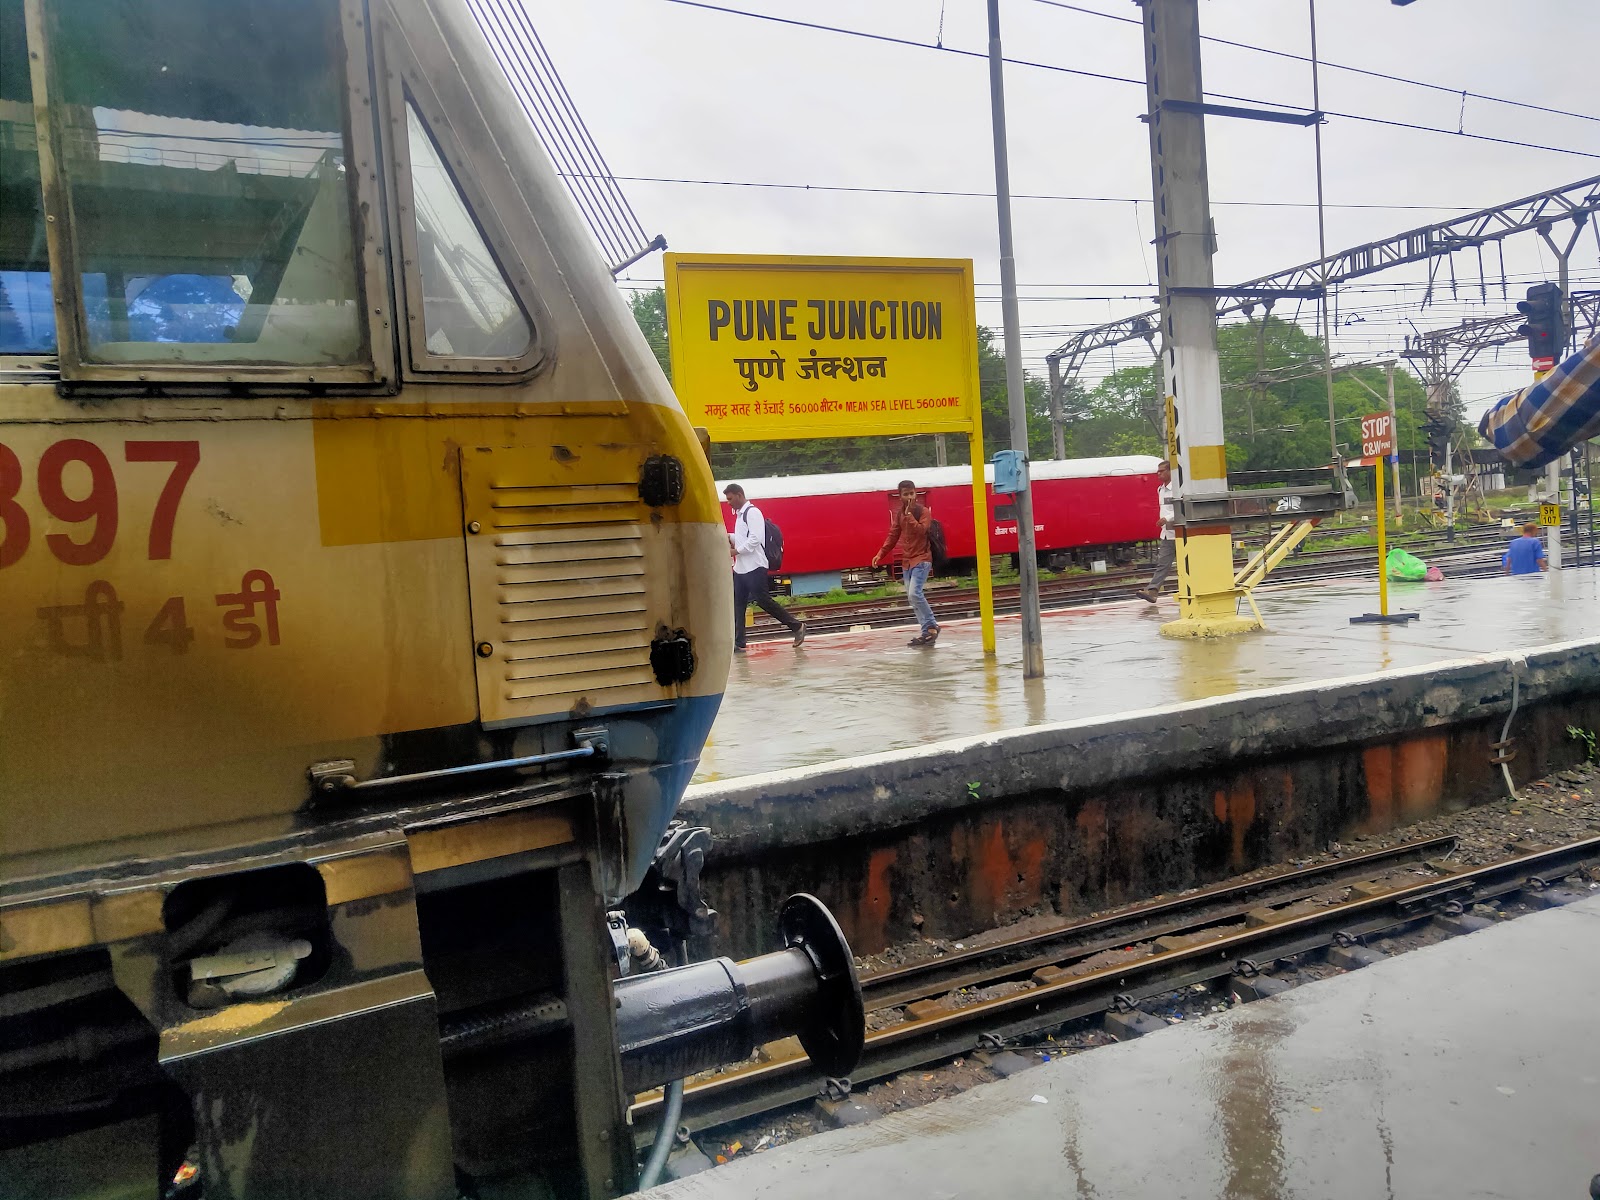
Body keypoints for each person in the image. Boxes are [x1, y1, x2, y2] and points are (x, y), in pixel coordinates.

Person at [724, 484, 805, 653]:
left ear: (739, 495)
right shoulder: (740, 515)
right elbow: (741, 538)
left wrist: (735, 550)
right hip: (741, 568)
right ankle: (739, 643)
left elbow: (754, 539)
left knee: (764, 601)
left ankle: (797, 626)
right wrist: (727, 537)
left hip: (754, 566)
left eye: (730, 499)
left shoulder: (752, 513)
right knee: (737, 604)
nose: (728, 503)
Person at [871, 480, 940, 646]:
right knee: (912, 599)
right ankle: (926, 633)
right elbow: (893, 536)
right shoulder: (900, 515)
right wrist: (881, 553)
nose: (910, 497)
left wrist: (909, 515)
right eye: (906, 494)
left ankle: (932, 625)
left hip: (922, 559)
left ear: (916, 493)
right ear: (900, 496)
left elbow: (922, 530)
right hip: (907, 561)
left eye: (912, 493)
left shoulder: (923, 512)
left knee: (914, 594)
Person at [1137, 460, 1175, 604]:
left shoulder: (1178, 489)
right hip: (1167, 534)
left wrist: (1167, 518)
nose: (1158, 474)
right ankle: (1153, 591)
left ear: (1171, 472)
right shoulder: (1160, 489)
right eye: (1158, 471)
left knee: (1190, 564)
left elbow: (1182, 509)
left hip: (1181, 533)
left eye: (1162, 471)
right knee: (1163, 563)